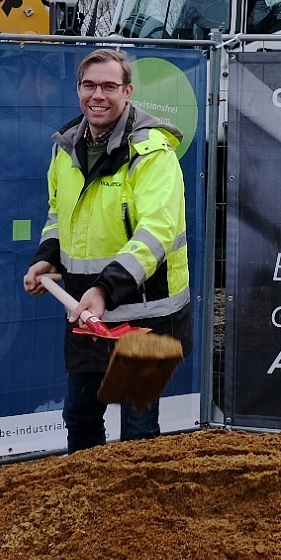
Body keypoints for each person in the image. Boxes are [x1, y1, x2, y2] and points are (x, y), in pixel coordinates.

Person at [24, 48, 192, 452]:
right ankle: (86, 504)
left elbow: (158, 231)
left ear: (128, 91)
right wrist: (47, 257)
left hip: (145, 315)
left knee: (137, 428)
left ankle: (137, 513)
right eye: (88, 85)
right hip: (87, 316)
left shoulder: (152, 151)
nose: (97, 95)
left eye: (108, 86)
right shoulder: (65, 148)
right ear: (78, 89)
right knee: (80, 418)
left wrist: (103, 289)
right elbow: (58, 212)